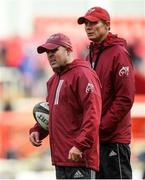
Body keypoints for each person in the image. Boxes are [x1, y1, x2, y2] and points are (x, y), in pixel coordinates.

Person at [29, 33, 102, 179]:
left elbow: (93, 114)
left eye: (54, 51)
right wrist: (38, 130)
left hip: (80, 158)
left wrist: (80, 145)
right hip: (61, 159)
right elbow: (53, 113)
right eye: (47, 53)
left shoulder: (83, 74)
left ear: (69, 50)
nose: (50, 56)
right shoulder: (52, 81)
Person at [77, 7, 135, 179]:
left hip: (114, 140)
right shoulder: (89, 55)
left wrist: (99, 127)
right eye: (86, 23)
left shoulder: (119, 54)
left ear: (107, 25)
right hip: (96, 140)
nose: (88, 27)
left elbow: (125, 99)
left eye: (93, 23)